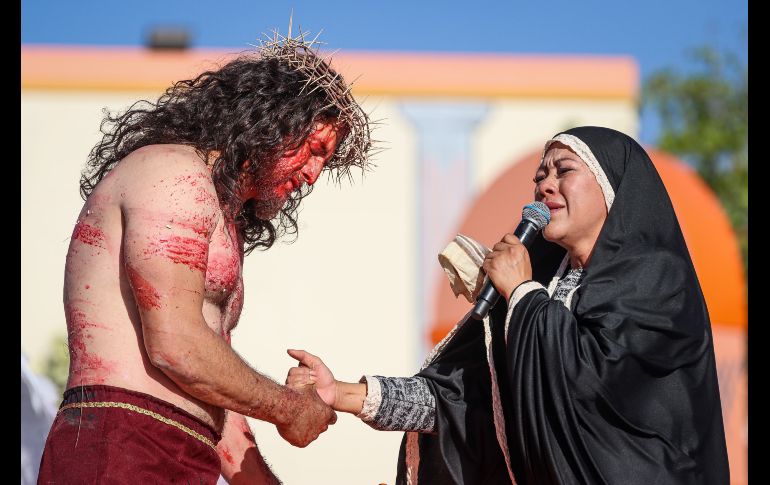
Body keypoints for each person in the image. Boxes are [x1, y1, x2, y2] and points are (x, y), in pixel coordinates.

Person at [286, 126, 729, 484]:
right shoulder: (538, 294)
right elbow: (467, 403)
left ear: (611, 187)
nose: (544, 183)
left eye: (563, 170)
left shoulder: (656, 277)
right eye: (540, 174)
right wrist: (342, 394)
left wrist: (520, 293)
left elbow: (591, 385)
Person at [37, 28, 373, 484]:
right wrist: (291, 408)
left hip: (181, 450)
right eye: (313, 150)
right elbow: (175, 345)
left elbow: (220, 410)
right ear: (270, 121)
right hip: (119, 442)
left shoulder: (220, 217)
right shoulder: (174, 173)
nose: (313, 174)